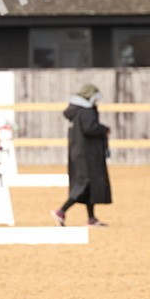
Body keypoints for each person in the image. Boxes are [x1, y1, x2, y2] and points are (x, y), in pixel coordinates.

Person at [53, 83, 112, 227]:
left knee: (89, 184)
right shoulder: (86, 111)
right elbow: (90, 128)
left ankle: (91, 218)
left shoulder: (76, 110)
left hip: (79, 151)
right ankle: (61, 210)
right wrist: (104, 129)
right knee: (84, 183)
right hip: (88, 153)